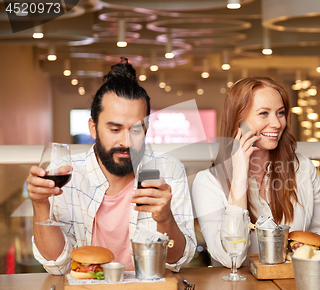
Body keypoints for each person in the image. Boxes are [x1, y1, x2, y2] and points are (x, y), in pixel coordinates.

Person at [27, 58, 196, 273]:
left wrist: (165, 219)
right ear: (93, 128)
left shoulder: (169, 170)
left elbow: (177, 262)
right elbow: (57, 266)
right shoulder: (66, 172)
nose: (126, 142)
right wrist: (41, 205)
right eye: (115, 129)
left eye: (136, 130)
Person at [192, 77, 320, 268]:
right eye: (264, 113)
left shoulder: (303, 167)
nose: (276, 123)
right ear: (238, 121)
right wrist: (240, 176)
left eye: (280, 113)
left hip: (293, 286)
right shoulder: (207, 182)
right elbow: (231, 259)